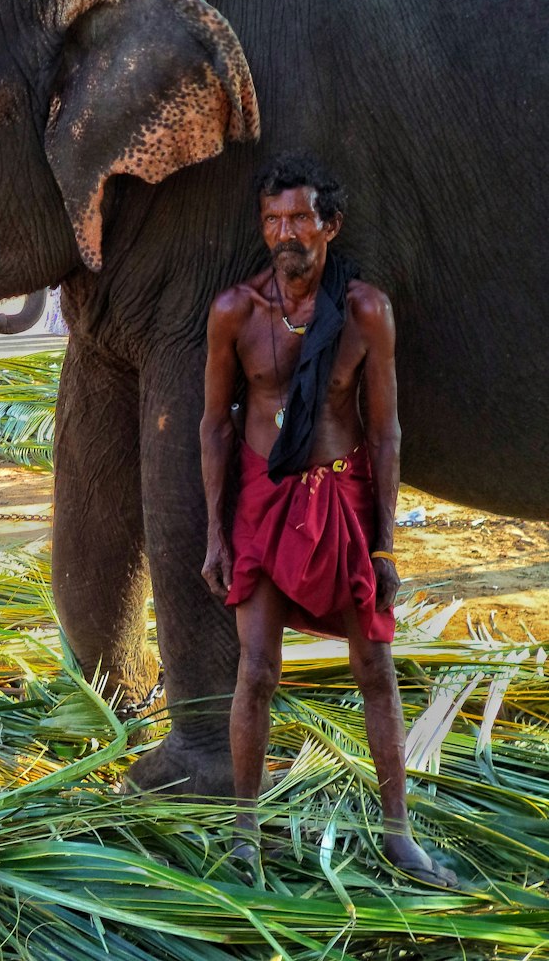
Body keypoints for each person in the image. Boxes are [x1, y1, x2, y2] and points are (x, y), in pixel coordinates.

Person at [199, 152, 457, 888]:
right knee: (257, 669)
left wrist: (384, 542)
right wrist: (218, 532)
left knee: (375, 666)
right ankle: (244, 835)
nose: (285, 234)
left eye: (299, 220)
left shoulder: (365, 312)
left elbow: (385, 434)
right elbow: (215, 428)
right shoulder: (234, 314)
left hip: (341, 501)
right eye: (273, 220)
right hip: (260, 504)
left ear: (329, 226)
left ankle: (399, 835)